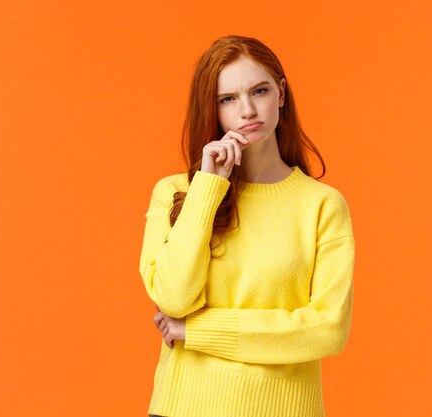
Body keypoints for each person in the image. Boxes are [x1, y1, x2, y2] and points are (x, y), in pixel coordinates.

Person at [139, 34, 356, 417]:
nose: (248, 110)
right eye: (228, 99)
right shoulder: (175, 192)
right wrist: (208, 188)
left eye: (260, 91)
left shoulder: (322, 205)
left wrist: (197, 332)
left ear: (281, 94)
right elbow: (173, 299)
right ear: (213, 107)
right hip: (183, 408)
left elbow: (327, 329)